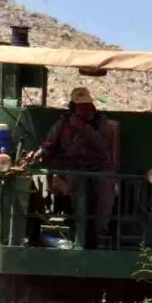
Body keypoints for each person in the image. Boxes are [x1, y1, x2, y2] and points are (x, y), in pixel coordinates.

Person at [26, 87, 117, 248]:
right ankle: (81, 233)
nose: (83, 110)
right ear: (73, 107)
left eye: (86, 106)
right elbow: (50, 142)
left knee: (106, 188)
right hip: (73, 167)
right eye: (79, 107)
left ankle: (100, 236)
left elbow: (102, 145)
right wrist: (40, 152)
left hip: (99, 166)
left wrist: (84, 128)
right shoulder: (64, 122)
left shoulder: (100, 121)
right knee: (77, 183)